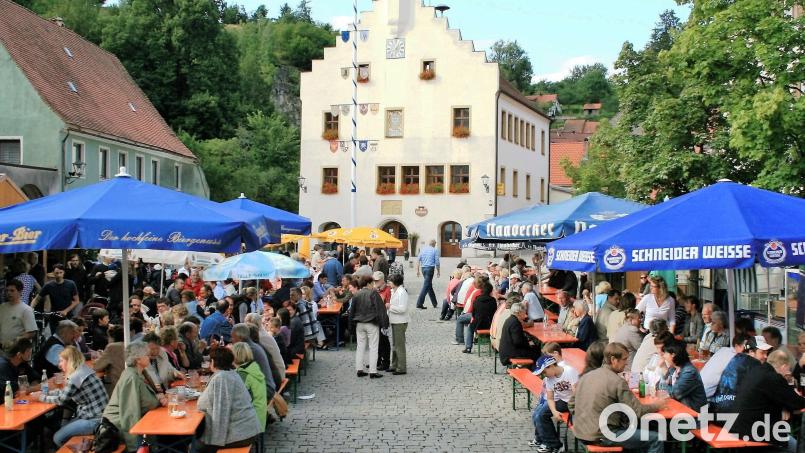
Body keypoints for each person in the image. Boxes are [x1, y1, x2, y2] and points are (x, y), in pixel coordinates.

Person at [569, 342, 666, 453]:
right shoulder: (618, 382)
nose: (626, 363)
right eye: (625, 359)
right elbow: (638, 411)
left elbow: (571, 404)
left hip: (581, 432)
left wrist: (586, 418)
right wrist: (657, 405)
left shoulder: (586, 376)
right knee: (656, 438)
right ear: (614, 360)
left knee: (635, 431)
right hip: (603, 435)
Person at [32, 346, 108, 447]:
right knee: (62, 428)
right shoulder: (84, 369)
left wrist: (40, 397)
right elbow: (65, 392)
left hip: (94, 420)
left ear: (69, 361)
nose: (59, 365)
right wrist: (46, 394)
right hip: (101, 416)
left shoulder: (74, 377)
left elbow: (61, 400)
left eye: (61, 361)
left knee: (58, 438)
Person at [731, 350, 805, 450]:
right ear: (784, 366)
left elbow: (778, 397)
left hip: (738, 426)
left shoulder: (757, 370)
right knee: (796, 447)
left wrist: (784, 406)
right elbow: (797, 403)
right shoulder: (773, 378)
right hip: (754, 432)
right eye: (789, 370)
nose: (788, 374)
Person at [103, 342, 165, 451]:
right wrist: (134, 447)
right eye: (146, 354)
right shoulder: (131, 378)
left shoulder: (140, 373)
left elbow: (146, 400)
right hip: (118, 428)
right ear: (138, 359)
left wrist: (158, 399)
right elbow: (129, 414)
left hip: (140, 422)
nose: (149, 356)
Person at [196, 347, 261, 452]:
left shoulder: (221, 378)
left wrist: (213, 440)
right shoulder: (230, 373)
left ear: (213, 362)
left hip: (239, 434)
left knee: (197, 446)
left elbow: (221, 411)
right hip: (246, 429)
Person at [711, 334, 771, 414]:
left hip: (716, 408)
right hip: (731, 415)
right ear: (751, 352)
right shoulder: (753, 366)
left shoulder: (736, 359)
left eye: (767, 353)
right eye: (762, 353)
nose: (766, 356)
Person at [532, 355, 578, 453]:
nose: (544, 375)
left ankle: (552, 444)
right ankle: (552, 443)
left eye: (544, 372)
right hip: (562, 401)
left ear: (552, 366)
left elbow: (577, 394)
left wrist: (573, 410)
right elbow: (550, 398)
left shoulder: (569, 371)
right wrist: (554, 411)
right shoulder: (549, 379)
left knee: (540, 414)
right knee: (538, 414)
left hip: (574, 402)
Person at [350, 275, 388, 378]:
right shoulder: (373, 293)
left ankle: (359, 369)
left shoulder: (356, 294)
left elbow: (351, 311)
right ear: (368, 283)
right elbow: (381, 310)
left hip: (359, 324)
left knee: (360, 347)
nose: (373, 285)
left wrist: (351, 327)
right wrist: (384, 324)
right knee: (373, 347)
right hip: (372, 323)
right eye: (372, 283)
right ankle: (372, 371)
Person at [231, 323, 276, 400]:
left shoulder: (249, 349)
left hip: (265, 389)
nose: (231, 339)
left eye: (232, 337)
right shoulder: (251, 345)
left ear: (240, 337)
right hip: (266, 385)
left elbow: (239, 368)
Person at [658, 340, 706, 410]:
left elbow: (674, 393)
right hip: (681, 411)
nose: (663, 356)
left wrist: (665, 384)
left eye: (665, 353)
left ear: (673, 355)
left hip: (695, 415)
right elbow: (660, 388)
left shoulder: (689, 372)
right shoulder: (673, 369)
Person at [232, 342, 267, 430]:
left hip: (251, 422)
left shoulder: (243, 374)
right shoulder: (252, 367)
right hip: (260, 417)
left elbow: (234, 399)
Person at [245, 313, 286, 382]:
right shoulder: (262, 333)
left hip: (277, 374)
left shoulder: (259, 336)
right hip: (277, 370)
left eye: (246, 324)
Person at [0, 279, 37, 345]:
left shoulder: (26, 310)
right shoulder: (2, 307)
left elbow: (32, 332)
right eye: (7, 290)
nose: (8, 293)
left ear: (20, 292)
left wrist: (17, 340)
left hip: (16, 350)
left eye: (12, 291)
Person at [386, 273, 409, 375]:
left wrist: (390, 307)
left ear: (395, 282)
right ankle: (394, 365)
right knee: (395, 344)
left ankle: (401, 367)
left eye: (390, 281)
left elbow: (402, 309)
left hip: (400, 321)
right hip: (395, 320)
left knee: (399, 345)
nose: (388, 283)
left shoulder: (401, 292)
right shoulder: (394, 290)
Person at [93, 325, 125, 394]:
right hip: (130, 384)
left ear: (112, 337)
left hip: (116, 386)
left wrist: (99, 357)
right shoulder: (129, 344)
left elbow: (97, 367)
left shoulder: (112, 347)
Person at [470, 281, 497, 353]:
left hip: (478, 324)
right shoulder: (493, 300)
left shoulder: (477, 299)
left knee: (470, 328)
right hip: (489, 324)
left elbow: (473, 313)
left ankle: (468, 347)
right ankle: (495, 345)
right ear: (490, 291)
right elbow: (494, 314)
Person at [373, 271, 392, 370]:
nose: (375, 282)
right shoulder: (376, 289)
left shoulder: (387, 290)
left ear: (381, 280)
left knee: (384, 341)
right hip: (376, 317)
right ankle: (377, 360)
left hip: (384, 318)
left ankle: (385, 362)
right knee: (377, 341)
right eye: (374, 281)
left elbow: (388, 304)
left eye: (376, 281)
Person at [415, 239, 440, 309]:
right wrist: (438, 271)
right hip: (430, 269)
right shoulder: (435, 250)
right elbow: (437, 262)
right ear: (434, 244)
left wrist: (417, 270)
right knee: (426, 286)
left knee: (428, 285)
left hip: (423, 269)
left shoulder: (423, 249)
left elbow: (418, 260)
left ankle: (434, 303)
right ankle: (419, 303)